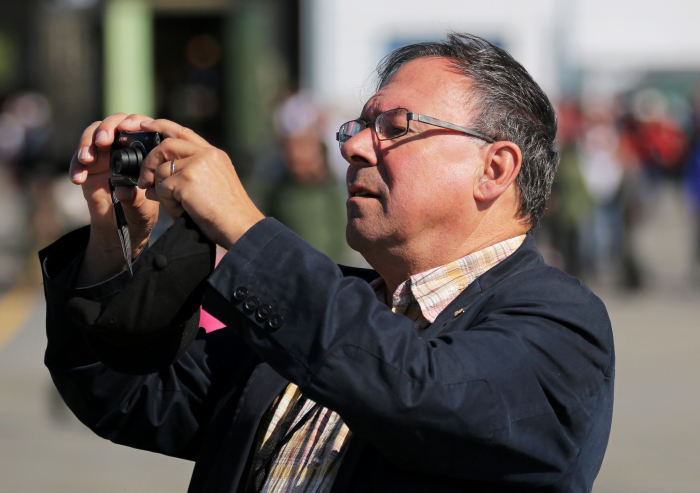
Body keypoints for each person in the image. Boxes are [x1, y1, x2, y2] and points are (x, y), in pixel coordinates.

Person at [40, 33, 614, 493]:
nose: (354, 146)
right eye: (361, 126)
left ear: (494, 169)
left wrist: (244, 227)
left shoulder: (560, 323)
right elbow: (127, 392)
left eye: (395, 128)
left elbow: (419, 395)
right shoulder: (328, 311)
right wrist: (116, 236)